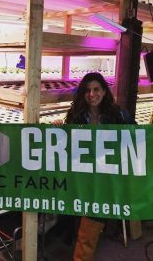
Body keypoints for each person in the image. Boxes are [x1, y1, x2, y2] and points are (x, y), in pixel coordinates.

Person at [53, 72, 136, 261]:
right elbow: (67, 143)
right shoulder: (76, 115)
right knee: (78, 223)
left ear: (105, 92)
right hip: (81, 177)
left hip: (105, 180)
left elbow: (138, 137)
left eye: (96, 89)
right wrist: (59, 128)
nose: (92, 94)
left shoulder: (119, 115)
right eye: (87, 90)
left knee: (88, 226)